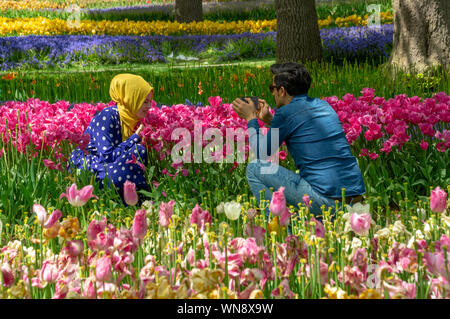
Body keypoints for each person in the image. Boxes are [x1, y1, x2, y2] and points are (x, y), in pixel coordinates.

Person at [232, 62, 366, 219]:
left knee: (254, 168)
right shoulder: (324, 105)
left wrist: (251, 119)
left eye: (272, 88)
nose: (272, 94)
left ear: (282, 91)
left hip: (326, 201)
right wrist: (270, 120)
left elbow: (263, 154)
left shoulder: (285, 113)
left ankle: (278, 226)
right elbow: (299, 127)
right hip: (355, 201)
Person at [68, 73, 153, 203]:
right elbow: (107, 156)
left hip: (109, 166)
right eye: (145, 101)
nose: (149, 107)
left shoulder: (130, 120)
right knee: (133, 157)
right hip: (90, 166)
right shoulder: (107, 117)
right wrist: (135, 138)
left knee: (138, 152)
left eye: (150, 102)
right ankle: (132, 196)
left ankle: (132, 194)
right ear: (131, 98)